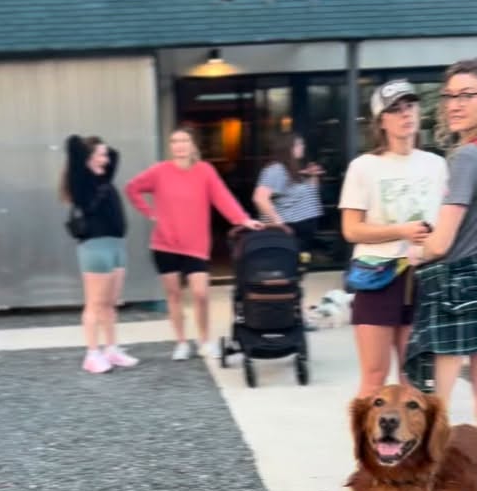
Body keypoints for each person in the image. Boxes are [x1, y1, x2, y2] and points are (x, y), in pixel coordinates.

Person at [404, 57, 477, 491]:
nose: (454, 104)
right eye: (449, 95)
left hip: (456, 288)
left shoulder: (467, 156)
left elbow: (443, 241)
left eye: (467, 95)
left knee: (432, 406)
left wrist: (416, 249)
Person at [339, 80, 448, 397]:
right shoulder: (364, 167)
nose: (406, 115)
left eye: (411, 106)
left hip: (423, 275)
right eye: (396, 109)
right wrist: (401, 230)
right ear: (381, 121)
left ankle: (411, 447)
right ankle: (363, 445)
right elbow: (351, 229)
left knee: (412, 376)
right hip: (378, 276)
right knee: (374, 375)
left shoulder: (436, 165)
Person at [125, 127, 262, 360]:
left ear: (193, 145)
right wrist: (150, 213)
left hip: (196, 246)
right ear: (171, 146)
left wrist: (243, 219)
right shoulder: (159, 171)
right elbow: (132, 188)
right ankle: (181, 343)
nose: (179, 145)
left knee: (201, 294)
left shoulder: (205, 171)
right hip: (165, 244)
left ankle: (205, 341)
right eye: (174, 141)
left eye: (184, 141)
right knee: (174, 295)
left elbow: (222, 198)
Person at [61, 135, 137, 374]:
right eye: (100, 154)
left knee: (110, 303)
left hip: (116, 245)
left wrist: (100, 149)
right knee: (95, 303)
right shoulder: (81, 182)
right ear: (88, 157)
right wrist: (88, 148)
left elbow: (115, 155)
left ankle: (111, 349)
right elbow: (72, 144)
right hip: (95, 246)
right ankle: (92, 354)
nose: (106, 157)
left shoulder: (104, 177)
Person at [252, 131, 324, 254]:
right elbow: (260, 198)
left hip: (302, 233)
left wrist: (313, 176)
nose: (303, 147)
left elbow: (310, 194)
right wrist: (279, 223)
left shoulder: (293, 169)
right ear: (288, 148)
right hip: (288, 232)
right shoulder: (275, 170)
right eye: (299, 144)